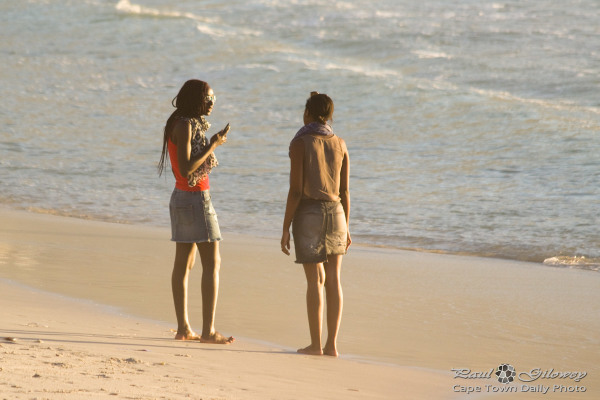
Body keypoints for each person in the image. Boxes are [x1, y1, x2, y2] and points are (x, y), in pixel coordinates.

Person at [158, 79, 234, 344]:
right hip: (195, 198)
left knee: (184, 264)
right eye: (209, 99)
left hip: (180, 197)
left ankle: (183, 329)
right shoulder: (186, 125)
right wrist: (213, 145)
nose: (212, 103)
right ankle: (208, 331)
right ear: (196, 99)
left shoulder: (178, 122)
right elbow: (189, 169)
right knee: (212, 263)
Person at [281, 91, 351, 357]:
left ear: (307, 113)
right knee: (333, 279)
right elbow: (345, 191)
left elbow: (296, 191)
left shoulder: (300, 143)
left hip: (308, 212)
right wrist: (348, 226)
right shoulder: (341, 143)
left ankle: (315, 345)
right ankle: (332, 345)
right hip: (337, 213)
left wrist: (285, 227)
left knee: (314, 281)